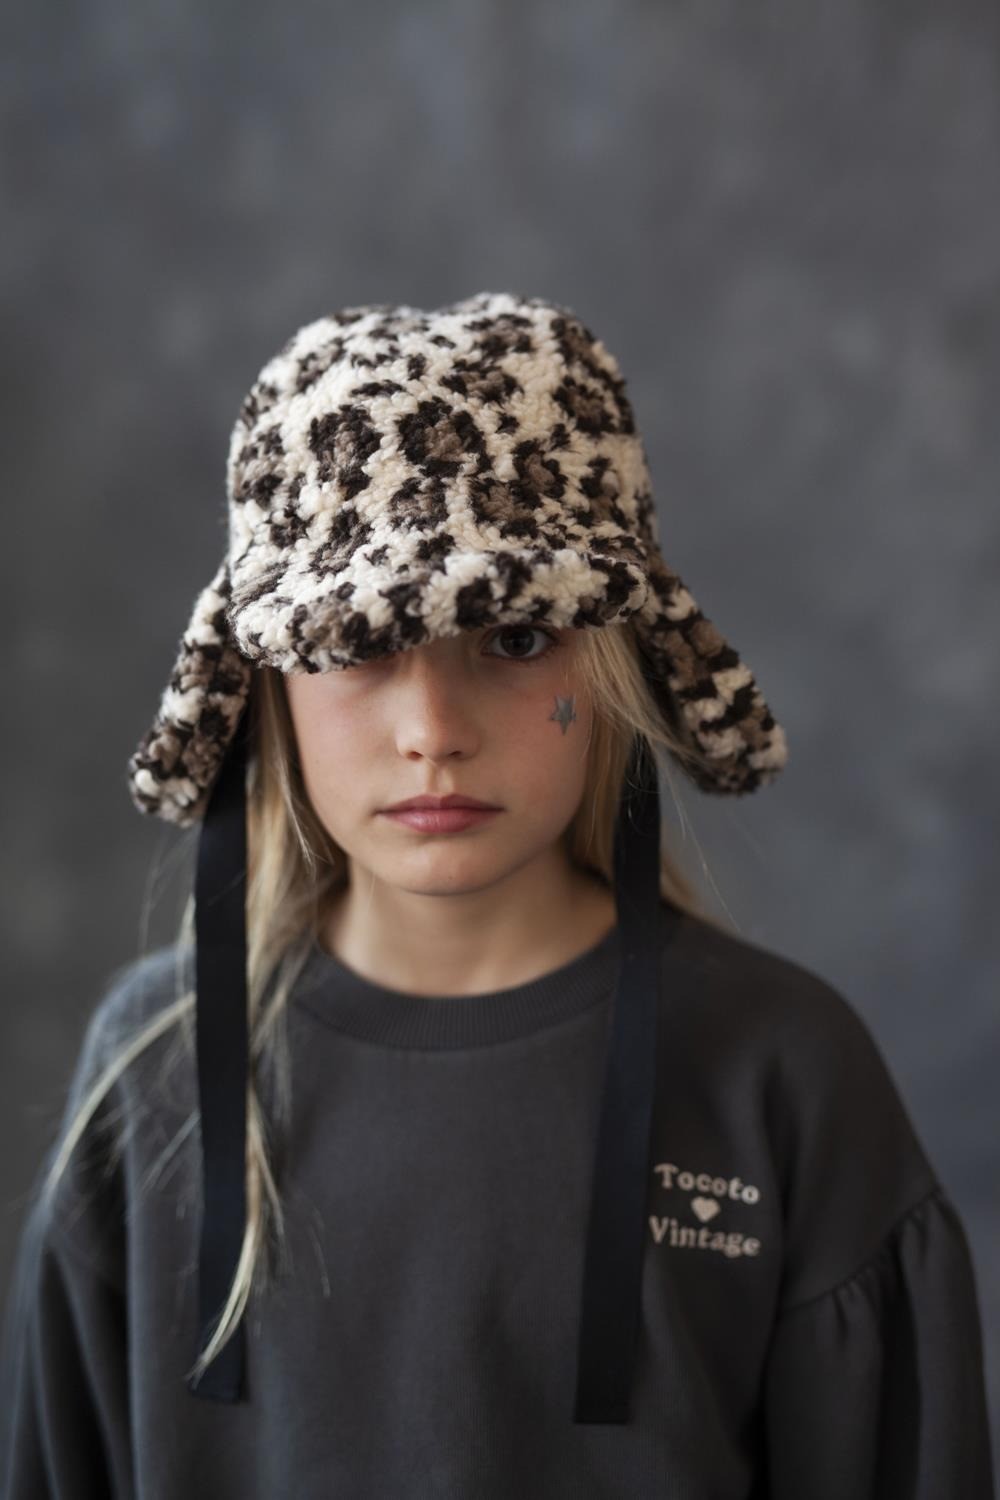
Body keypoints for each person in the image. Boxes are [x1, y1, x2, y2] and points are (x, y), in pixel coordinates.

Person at [0, 291, 994, 1499]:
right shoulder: (153, 1076)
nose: (433, 730)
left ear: (614, 664)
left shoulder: (781, 1076)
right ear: (265, 687)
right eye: (357, 644)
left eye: (516, 640)